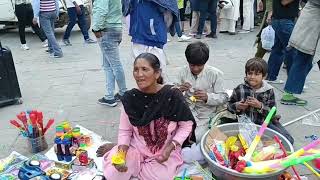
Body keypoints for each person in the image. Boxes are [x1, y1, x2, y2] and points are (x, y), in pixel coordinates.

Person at [97, 53, 195, 179]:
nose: (139, 74)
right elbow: (125, 131)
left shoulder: (172, 95)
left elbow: (186, 126)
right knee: (114, 173)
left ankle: (131, 163)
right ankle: (119, 151)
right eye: (136, 70)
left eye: (144, 69)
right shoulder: (130, 99)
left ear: (157, 73)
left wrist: (170, 148)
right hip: (136, 149)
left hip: (164, 152)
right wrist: (121, 155)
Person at [227, 58, 294, 144]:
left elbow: (272, 112)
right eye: (249, 73)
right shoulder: (240, 89)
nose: (252, 77)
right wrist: (237, 106)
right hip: (243, 124)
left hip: (263, 123)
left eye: (257, 74)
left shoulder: (268, 90)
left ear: (264, 76)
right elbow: (229, 105)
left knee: (287, 140)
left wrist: (260, 106)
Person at [175, 42, 228, 142]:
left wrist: (207, 97)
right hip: (187, 111)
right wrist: (180, 89)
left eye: (199, 66)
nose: (195, 69)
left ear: (205, 62)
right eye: (192, 65)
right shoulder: (182, 72)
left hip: (207, 114)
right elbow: (172, 93)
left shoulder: (215, 74)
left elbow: (224, 97)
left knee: (198, 137)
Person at [123, 0, 179, 79]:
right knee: (141, 74)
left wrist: (156, 29)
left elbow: (168, 16)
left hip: (154, 40)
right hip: (138, 38)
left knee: (158, 75)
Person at [280, 0, 320, 106]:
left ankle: (289, 92)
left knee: (304, 60)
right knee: (303, 60)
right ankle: (288, 94)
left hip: (312, 22)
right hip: (313, 24)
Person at [92, 0, 127, 107]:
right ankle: (110, 96)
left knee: (114, 65)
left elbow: (101, 10)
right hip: (115, 28)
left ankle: (123, 93)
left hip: (106, 30)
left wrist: (96, 28)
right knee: (109, 65)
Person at [265, 0, 299, 84]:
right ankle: (293, 82)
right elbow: (284, 1)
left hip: (281, 20)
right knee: (292, 50)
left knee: (278, 49)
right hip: (284, 21)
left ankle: (271, 76)